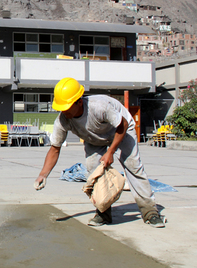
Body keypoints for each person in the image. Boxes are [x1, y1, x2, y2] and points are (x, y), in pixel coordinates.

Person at [34, 77, 165, 228]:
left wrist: (111, 151)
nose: (64, 110)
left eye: (67, 106)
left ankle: (150, 212)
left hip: (121, 130)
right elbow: (55, 148)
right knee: (93, 170)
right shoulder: (63, 120)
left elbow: (121, 125)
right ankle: (103, 213)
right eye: (61, 107)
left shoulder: (100, 106)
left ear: (79, 101)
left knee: (133, 166)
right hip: (94, 138)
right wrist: (43, 174)